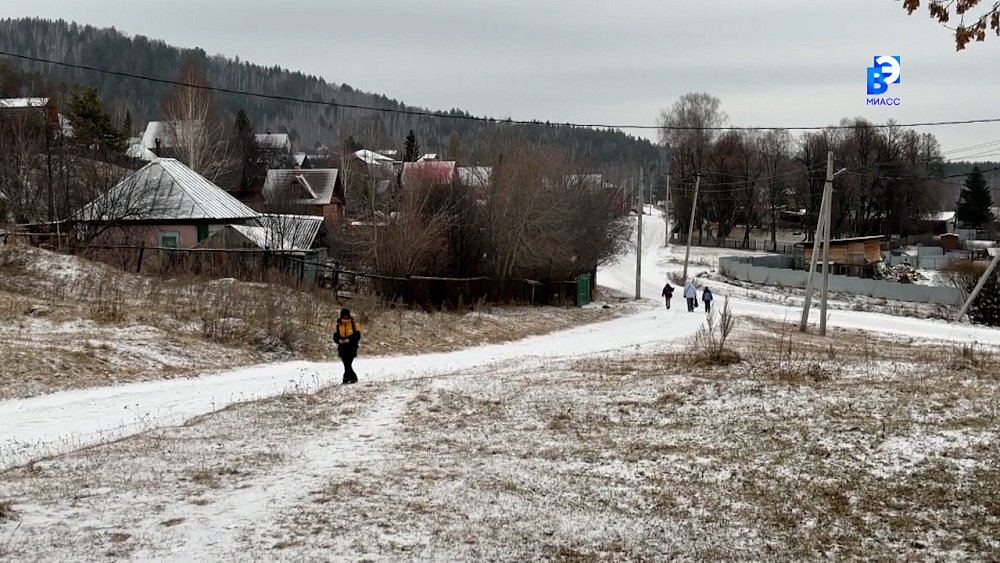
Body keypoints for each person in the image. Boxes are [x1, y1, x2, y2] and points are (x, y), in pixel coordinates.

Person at [333, 308, 362, 384]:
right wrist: (339, 340)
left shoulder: (355, 324)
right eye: (343, 317)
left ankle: (348, 378)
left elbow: (357, 336)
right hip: (342, 348)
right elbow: (336, 336)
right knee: (346, 364)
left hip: (351, 348)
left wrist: (349, 339)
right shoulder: (338, 325)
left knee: (347, 364)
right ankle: (350, 378)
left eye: (346, 317)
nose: (345, 318)